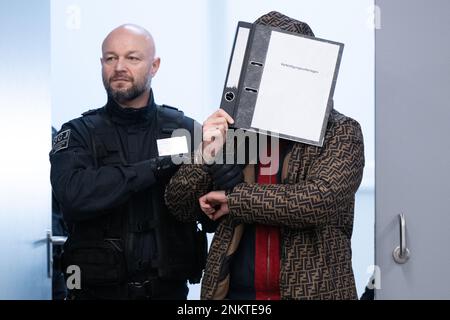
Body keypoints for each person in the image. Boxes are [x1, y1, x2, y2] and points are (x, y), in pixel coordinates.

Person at [165, 11, 365, 300]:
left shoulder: (341, 131)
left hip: (313, 292)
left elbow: (317, 201)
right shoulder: (239, 133)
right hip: (235, 295)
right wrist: (205, 152)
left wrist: (235, 201)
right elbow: (179, 204)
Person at [50, 24, 209, 300]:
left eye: (132, 58)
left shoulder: (187, 131)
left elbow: (210, 212)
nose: (119, 66)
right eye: (111, 58)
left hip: (167, 292)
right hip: (95, 292)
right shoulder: (77, 132)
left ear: (154, 65)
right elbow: (73, 195)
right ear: (102, 63)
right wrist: (155, 168)